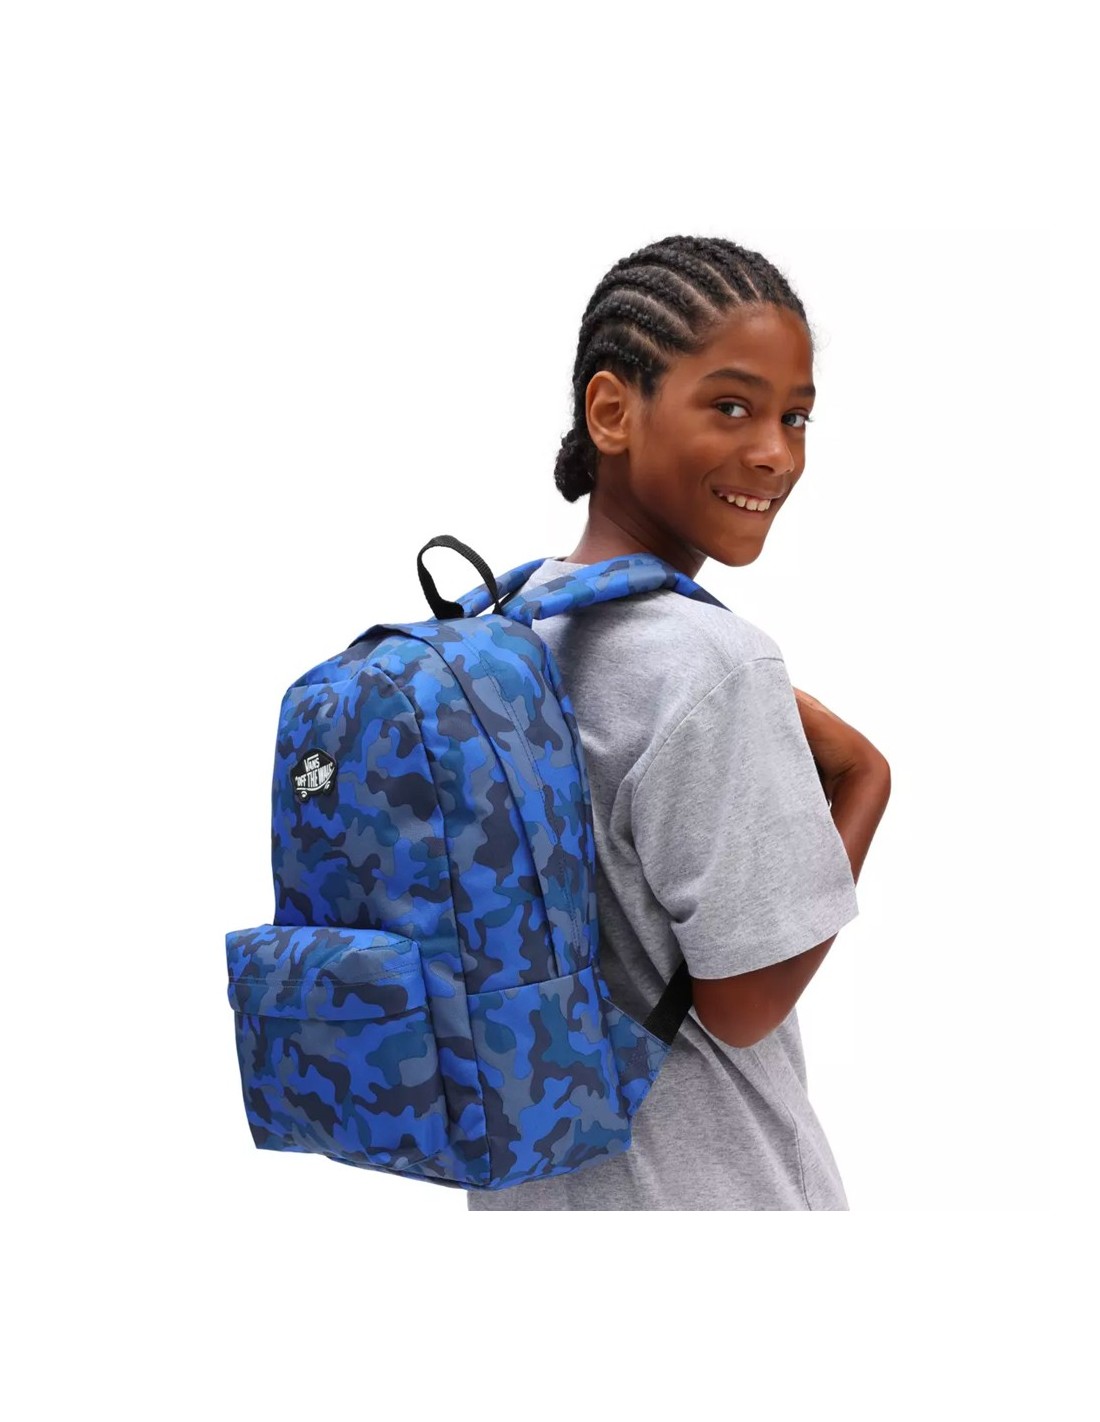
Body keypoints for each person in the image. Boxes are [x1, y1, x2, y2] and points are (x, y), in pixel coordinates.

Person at [466, 234, 891, 1211]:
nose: (774, 453)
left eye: (795, 417)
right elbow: (741, 1005)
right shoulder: (713, 663)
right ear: (612, 411)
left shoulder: (502, 631)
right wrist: (867, 782)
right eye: (731, 406)